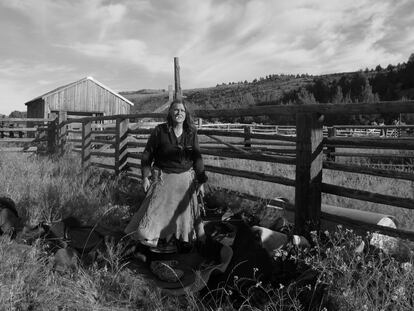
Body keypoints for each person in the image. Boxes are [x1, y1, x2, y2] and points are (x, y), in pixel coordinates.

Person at [124, 99, 208, 253]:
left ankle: (178, 239)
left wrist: (201, 181)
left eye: (182, 110)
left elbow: (197, 158)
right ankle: (154, 238)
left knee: (182, 216)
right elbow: (147, 153)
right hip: (163, 179)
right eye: (176, 110)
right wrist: (145, 177)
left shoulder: (191, 132)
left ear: (186, 114)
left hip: (184, 182)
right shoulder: (160, 131)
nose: (179, 113)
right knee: (149, 221)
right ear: (170, 112)